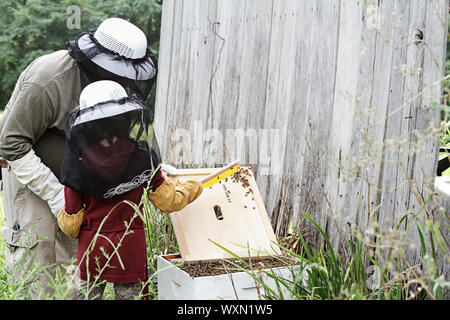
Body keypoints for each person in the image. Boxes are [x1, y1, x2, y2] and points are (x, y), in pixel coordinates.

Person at [0, 17, 159, 298]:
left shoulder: (123, 89)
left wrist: (161, 177)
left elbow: (144, 146)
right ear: (97, 63)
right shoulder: (49, 78)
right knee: (39, 265)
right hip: (32, 171)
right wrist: (56, 195)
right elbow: (10, 143)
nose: (127, 82)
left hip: (86, 185)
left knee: (77, 269)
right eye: (121, 74)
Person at [56, 80, 203, 300]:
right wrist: (194, 185)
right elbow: (168, 201)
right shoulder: (141, 155)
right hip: (129, 248)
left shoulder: (79, 163)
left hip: (92, 248)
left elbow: (71, 225)